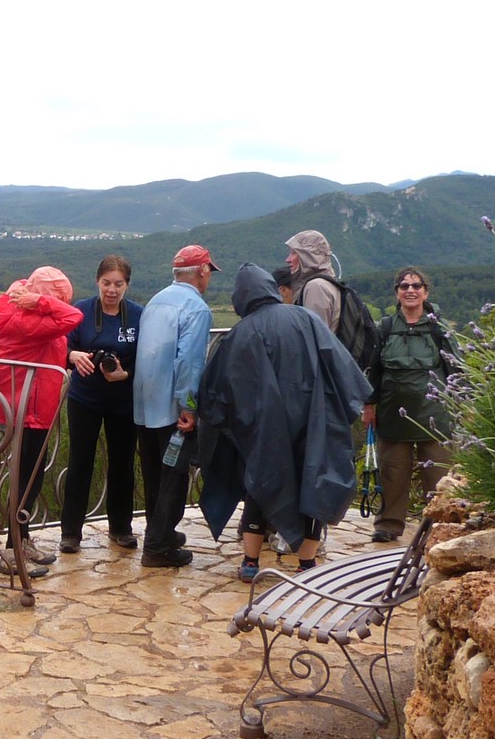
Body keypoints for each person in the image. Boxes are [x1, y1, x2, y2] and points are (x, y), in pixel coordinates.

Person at [194, 262, 370, 580]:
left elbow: (218, 389)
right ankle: (306, 565)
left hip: (263, 431)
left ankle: (250, 562)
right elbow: (340, 365)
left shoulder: (241, 333)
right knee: (313, 485)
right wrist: (348, 407)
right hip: (313, 421)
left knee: (260, 485)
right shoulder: (306, 319)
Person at [0, 267, 83, 575]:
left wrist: (32, 297)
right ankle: (12, 551)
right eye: (58, 298)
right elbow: (73, 317)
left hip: (29, 401)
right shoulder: (27, 317)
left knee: (30, 474)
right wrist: (40, 302)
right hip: (28, 405)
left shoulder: (18, 307)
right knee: (26, 479)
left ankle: (22, 540)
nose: (62, 304)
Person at [131, 244, 215, 568]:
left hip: (143, 403)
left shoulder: (155, 301)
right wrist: (189, 406)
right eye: (209, 271)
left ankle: (160, 531)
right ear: (202, 271)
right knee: (174, 477)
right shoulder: (197, 309)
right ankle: (157, 548)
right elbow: (189, 362)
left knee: (154, 473)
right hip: (171, 407)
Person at [363, 267, 459, 543]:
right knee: (392, 472)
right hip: (393, 414)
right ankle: (388, 525)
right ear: (397, 293)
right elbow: (374, 370)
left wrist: (460, 405)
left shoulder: (439, 328)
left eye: (416, 286)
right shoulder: (385, 328)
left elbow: (456, 369)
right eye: (404, 286)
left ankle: (440, 527)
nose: (410, 290)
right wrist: (368, 406)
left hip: (435, 415)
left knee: (438, 475)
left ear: (426, 292)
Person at [58, 255, 144, 554]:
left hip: (124, 400)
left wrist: (125, 374)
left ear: (127, 285)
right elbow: (61, 344)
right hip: (85, 399)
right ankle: (70, 533)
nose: (111, 290)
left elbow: (148, 358)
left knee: (123, 464)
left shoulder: (138, 315)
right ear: (97, 281)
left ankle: (121, 528)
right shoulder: (81, 311)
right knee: (80, 463)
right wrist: (72, 356)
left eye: (118, 284)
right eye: (106, 283)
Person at [284, 229, 342, 333]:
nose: (288, 260)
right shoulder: (326, 283)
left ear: (307, 256)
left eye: (294, 253)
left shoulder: (316, 287)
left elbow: (316, 336)